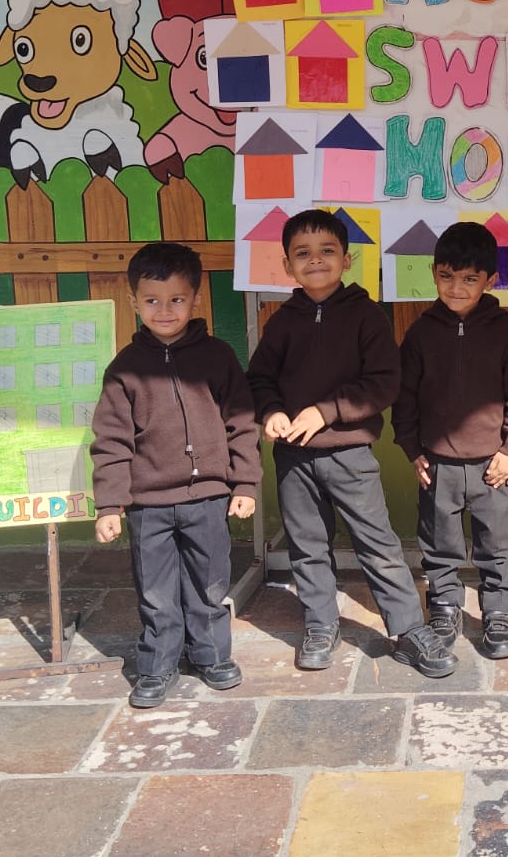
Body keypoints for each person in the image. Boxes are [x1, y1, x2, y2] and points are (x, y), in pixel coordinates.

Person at [245, 209, 456, 679]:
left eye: (327, 251)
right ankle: (321, 625)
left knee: (377, 543)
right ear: (287, 265)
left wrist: (326, 411)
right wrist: (273, 411)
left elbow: (383, 382)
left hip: (350, 455)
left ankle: (408, 630)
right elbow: (259, 379)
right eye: (303, 253)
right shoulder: (281, 322)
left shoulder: (366, 316)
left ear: (347, 259)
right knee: (307, 545)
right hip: (294, 458)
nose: (315, 260)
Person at [90, 242, 261, 709]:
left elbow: (242, 422)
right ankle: (157, 663)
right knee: (156, 590)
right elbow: (111, 440)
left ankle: (211, 655)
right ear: (133, 301)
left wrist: (245, 483)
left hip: (208, 499)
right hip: (148, 506)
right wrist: (110, 504)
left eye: (176, 299)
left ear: (196, 299)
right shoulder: (124, 370)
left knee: (209, 584)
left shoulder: (218, 357)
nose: (164, 310)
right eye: (152, 300)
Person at [395, 222, 508, 660]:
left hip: (493, 465)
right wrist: (412, 449)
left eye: (469, 278)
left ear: (490, 280)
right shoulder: (421, 334)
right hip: (437, 464)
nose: (456, 288)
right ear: (434, 273)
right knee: (439, 543)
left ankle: (497, 612)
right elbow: (405, 396)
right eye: (446, 276)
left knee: (496, 544)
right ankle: (443, 606)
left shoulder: (505, 331)